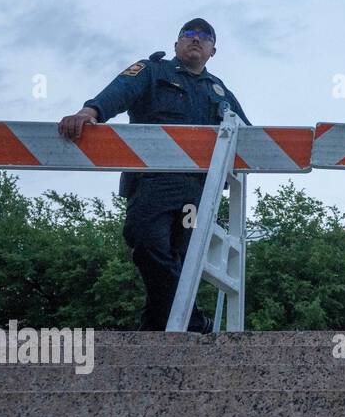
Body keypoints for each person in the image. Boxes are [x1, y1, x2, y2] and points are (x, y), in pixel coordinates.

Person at [57, 19, 249, 332]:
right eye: (188, 35)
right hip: (153, 184)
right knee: (147, 245)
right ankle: (195, 322)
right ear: (176, 45)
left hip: (197, 196)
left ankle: (155, 335)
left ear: (214, 50)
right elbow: (119, 92)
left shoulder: (219, 91)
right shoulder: (152, 71)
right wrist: (88, 113)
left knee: (181, 261)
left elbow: (248, 134)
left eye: (204, 37)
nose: (195, 40)